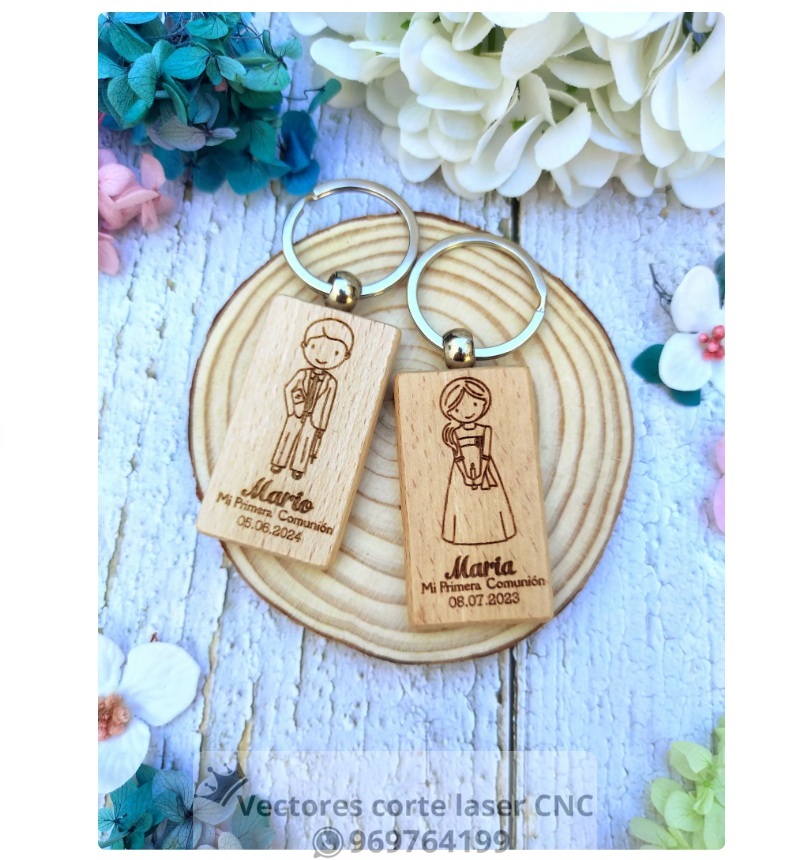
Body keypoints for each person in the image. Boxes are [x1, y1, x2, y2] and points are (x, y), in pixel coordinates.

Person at [271, 318, 354, 480]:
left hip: (313, 419)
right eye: (315, 347)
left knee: (306, 442)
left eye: (335, 353)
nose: (323, 356)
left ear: (345, 356)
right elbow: (288, 389)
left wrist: (322, 426)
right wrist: (291, 410)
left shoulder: (331, 382)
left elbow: (328, 404)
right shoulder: (302, 374)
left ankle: (298, 468)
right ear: (305, 346)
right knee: (288, 436)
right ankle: (278, 462)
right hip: (296, 413)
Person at [439, 377, 516, 545]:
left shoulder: (485, 430)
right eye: (458, 408)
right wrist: (466, 476)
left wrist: (481, 474)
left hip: (485, 470)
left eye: (474, 404)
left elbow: (485, 454)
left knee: (490, 502)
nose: (467, 411)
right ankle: (464, 536)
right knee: (463, 501)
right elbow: (458, 456)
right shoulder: (454, 433)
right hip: (461, 472)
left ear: (484, 404)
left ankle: (493, 534)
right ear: (450, 411)